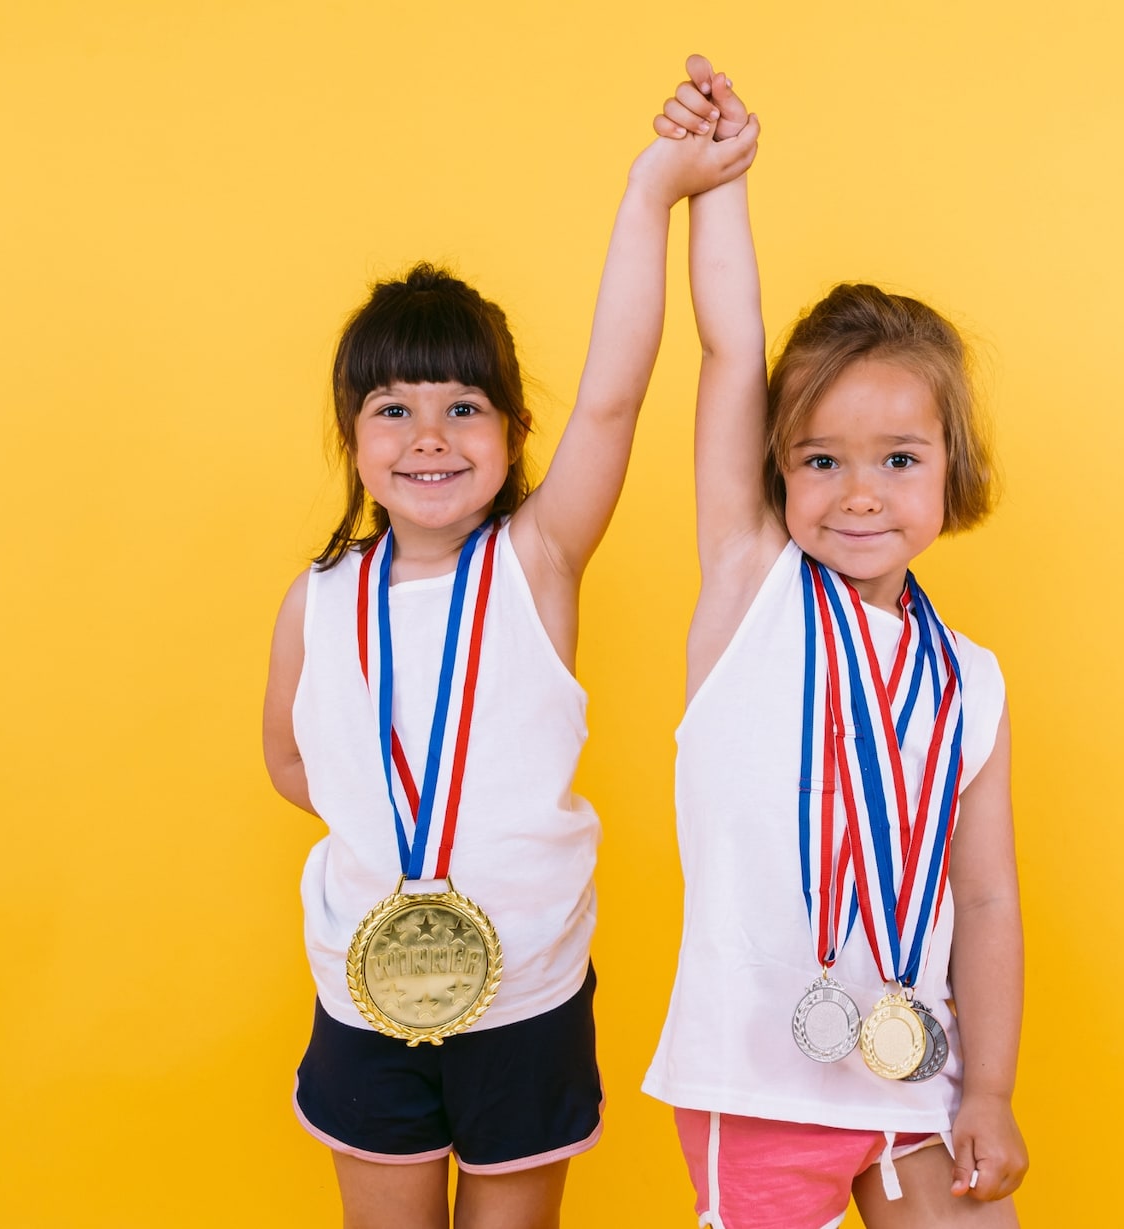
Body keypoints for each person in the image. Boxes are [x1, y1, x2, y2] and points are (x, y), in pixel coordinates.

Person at [261, 92, 759, 1229]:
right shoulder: (317, 599)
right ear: (352, 438)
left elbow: (617, 394)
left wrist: (653, 192)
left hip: (527, 993)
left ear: (516, 431)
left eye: (462, 406)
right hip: (362, 993)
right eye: (393, 407)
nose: (428, 435)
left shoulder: (535, 562)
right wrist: (396, 843)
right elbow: (290, 757)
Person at [643, 56, 1031, 1228]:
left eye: (897, 458)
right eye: (820, 458)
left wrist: (994, 1085)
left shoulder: (968, 678)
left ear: (948, 469)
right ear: (776, 471)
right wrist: (717, 182)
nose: (857, 493)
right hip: (755, 1074)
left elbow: (989, 892)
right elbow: (727, 348)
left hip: (913, 1069)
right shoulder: (752, 586)